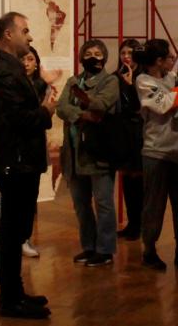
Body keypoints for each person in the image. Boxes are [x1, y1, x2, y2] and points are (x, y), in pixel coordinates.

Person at [0, 12, 56, 319]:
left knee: (16, 230)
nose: (30, 36)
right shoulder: (6, 73)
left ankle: (14, 293)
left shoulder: (12, 70)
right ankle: (9, 299)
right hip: (15, 163)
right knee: (12, 232)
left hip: (20, 162)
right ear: (8, 35)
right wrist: (46, 110)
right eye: (25, 31)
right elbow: (19, 120)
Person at [56, 39, 120, 267]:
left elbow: (102, 105)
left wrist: (86, 103)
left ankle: (105, 250)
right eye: (89, 53)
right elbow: (61, 107)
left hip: (97, 151)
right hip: (73, 152)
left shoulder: (110, 81)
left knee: (103, 202)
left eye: (98, 54)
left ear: (104, 58)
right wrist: (82, 114)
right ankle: (89, 246)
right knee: (80, 204)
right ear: (82, 57)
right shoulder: (74, 80)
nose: (93, 57)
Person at [135, 38, 178, 271]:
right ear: (158, 61)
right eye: (169, 57)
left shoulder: (173, 79)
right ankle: (149, 250)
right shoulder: (143, 81)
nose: (173, 60)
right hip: (156, 151)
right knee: (154, 204)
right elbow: (166, 105)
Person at [0, 46, 45, 261]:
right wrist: (46, 111)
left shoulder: (38, 85)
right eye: (23, 58)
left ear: (37, 63)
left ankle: (22, 240)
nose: (26, 63)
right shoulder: (8, 78)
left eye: (31, 59)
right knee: (9, 203)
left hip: (28, 156)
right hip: (14, 157)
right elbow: (20, 118)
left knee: (22, 206)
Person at [115, 39, 145, 240]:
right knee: (126, 179)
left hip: (140, 133)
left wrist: (131, 84)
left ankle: (139, 224)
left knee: (138, 180)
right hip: (122, 133)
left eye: (130, 52)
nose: (126, 56)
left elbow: (140, 106)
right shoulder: (115, 77)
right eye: (123, 52)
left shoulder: (144, 77)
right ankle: (132, 223)